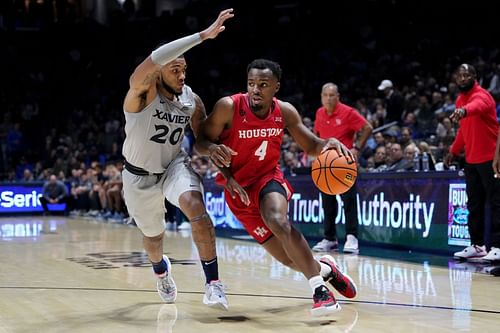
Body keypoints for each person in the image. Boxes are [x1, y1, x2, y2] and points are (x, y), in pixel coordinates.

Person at [195, 59, 358, 317]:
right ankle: (325, 270)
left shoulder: (285, 112)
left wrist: (329, 142)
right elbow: (200, 141)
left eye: (263, 85)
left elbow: (312, 146)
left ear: (276, 87)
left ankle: (320, 291)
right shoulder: (229, 107)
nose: (255, 90)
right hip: (238, 190)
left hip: (268, 179)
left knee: (277, 219)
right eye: (251, 84)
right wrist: (213, 149)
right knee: (287, 258)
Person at [121, 8, 234, 309]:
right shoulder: (141, 92)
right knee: (154, 240)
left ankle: (213, 283)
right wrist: (202, 36)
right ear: (159, 71)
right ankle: (161, 271)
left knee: (195, 206)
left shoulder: (191, 100)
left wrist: (211, 149)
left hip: (173, 166)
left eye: (184, 69)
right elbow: (153, 59)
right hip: (138, 176)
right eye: (174, 69)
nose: (182, 75)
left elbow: (201, 141)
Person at [445, 63, 500, 261]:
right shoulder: (460, 99)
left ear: (474, 77)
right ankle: (477, 246)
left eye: (467, 75)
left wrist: (463, 111)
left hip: (492, 158)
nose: (463, 78)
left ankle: (497, 245)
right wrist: (453, 149)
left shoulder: (482, 95)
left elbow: (476, 107)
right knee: (474, 205)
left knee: (496, 203)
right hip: (472, 159)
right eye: (459, 75)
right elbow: (463, 130)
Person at [311, 83, 372, 254]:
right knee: (328, 204)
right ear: (322, 97)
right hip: (325, 165)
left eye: (332, 95)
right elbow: (317, 136)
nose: (329, 98)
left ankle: (352, 237)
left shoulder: (348, 112)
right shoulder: (319, 113)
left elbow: (367, 128)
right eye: (326, 95)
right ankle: (329, 238)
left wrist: (357, 148)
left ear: (338, 96)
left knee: (349, 202)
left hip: (345, 165)